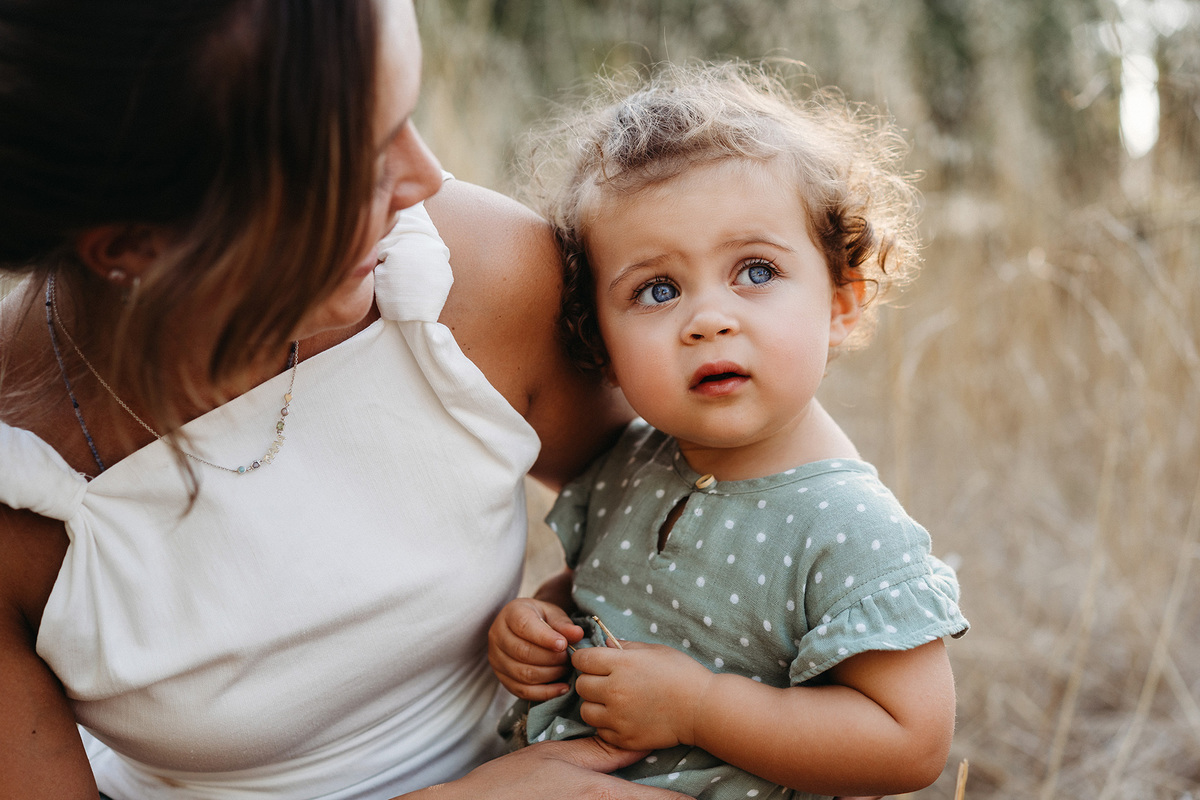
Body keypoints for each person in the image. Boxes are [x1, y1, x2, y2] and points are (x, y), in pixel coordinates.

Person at [0, 1, 691, 798]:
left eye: (405, 114)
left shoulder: (472, 280)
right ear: (133, 244)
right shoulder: (21, 492)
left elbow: (700, 502)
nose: (425, 179)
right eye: (352, 164)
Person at [487, 62, 970, 800]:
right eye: (658, 290)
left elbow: (908, 743)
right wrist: (544, 620)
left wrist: (699, 708)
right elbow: (607, 586)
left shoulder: (849, 530)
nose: (709, 318)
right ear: (600, 343)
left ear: (842, 300)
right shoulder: (630, 463)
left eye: (755, 271)